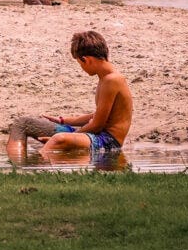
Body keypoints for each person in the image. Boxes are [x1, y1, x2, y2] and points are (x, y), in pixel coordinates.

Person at [38, 28, 130, 161]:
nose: (82, 68)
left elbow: (97, 125)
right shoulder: (105, 78)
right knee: (38, 128)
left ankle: (38, 166)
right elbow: (97, 116)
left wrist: (71, 136)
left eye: (80, 64)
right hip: (97, 135)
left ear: (86, 60)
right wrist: (63, 120)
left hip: (108, 141)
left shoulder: (112, 80)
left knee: (58, 139)